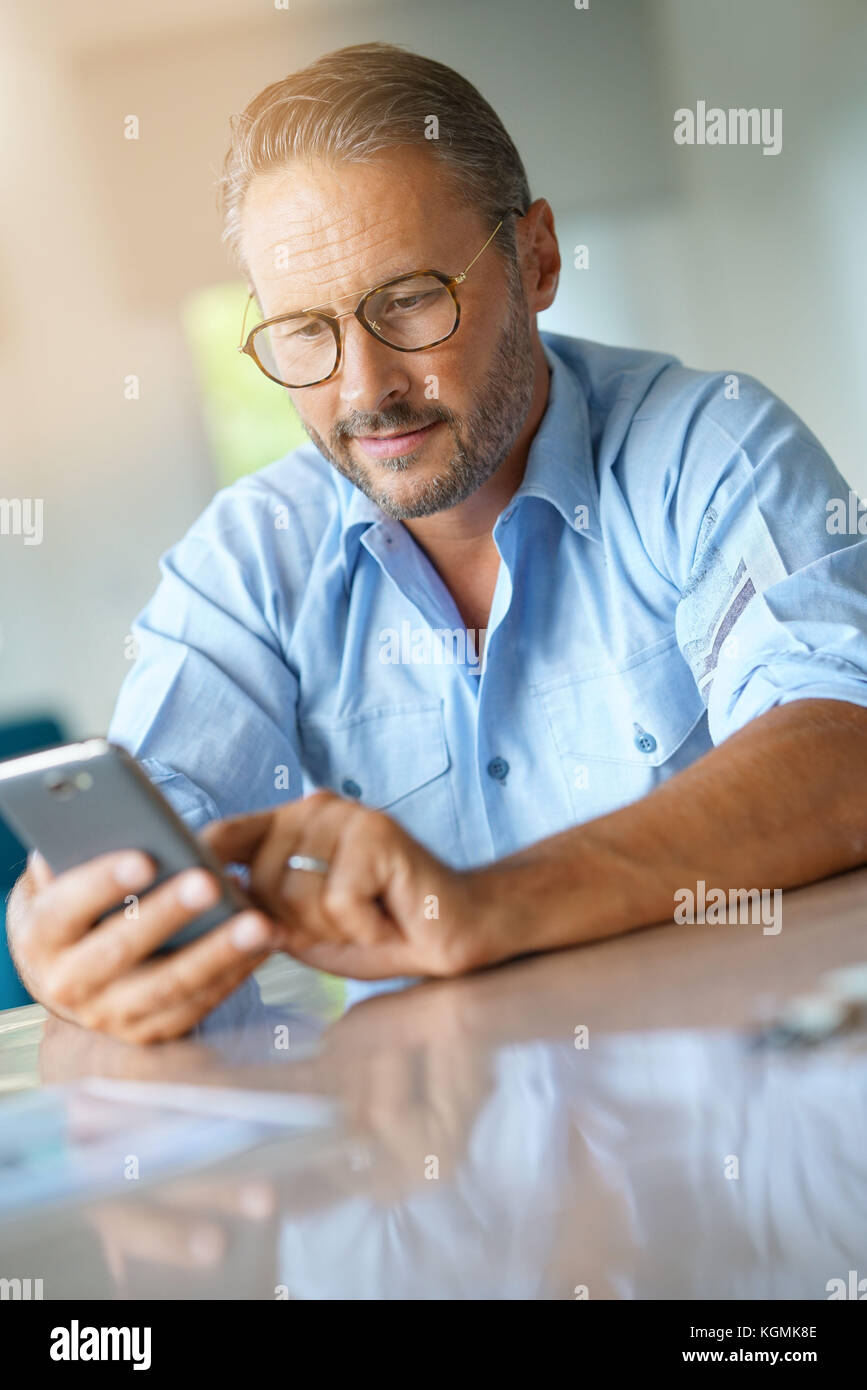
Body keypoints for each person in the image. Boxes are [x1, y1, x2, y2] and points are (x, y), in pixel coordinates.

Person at [8, 43, 867, 1043]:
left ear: (536, 258)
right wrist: (83, 944)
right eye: (304, 331)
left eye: (410, 299)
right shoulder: (249, 561)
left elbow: (840, 746)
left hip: (753, 1120)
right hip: (448, 1162)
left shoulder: (706, 448)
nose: (365, 388)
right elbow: (156, 843)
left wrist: (488, 906)